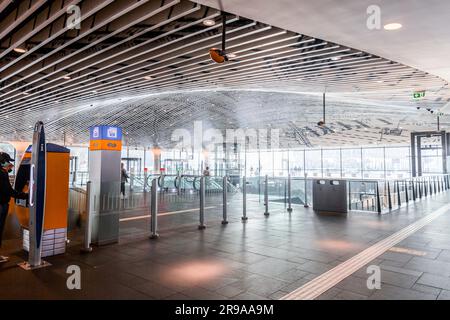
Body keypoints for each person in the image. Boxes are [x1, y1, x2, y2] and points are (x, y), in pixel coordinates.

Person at [0, 152, 27, 261]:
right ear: (2, 161)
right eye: (8, 162)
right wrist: (25, 195)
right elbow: (9, 191)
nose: (9, 164)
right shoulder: (2, 174)